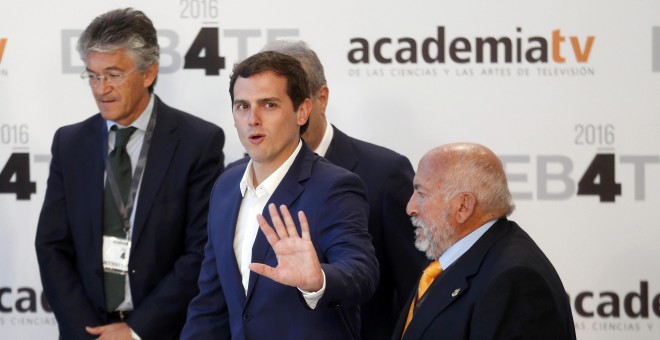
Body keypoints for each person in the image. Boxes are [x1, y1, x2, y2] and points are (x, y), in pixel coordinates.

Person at [35, 8, 225, 340]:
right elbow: (52, 245)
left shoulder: (198, 142)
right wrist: (87, 332)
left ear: (149, 72)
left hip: (165, 331)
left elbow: (202, 250)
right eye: (92, 75)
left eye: (113, 74)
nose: (100, 89)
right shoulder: (70, 143)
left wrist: (137, 330)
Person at [181, 51, 379, 339]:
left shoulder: (334, 186)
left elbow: (362, 271)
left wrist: (318, 280)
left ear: (302, 111)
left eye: (269, 105)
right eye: (242, 106)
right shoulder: (225, 185)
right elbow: (210, 302)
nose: (253, 119)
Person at [256, 40, 427, 339]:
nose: (273, 119)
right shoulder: (237, 178)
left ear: (319, 99)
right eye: (266, 104)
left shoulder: (384, 174)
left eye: (279, 104)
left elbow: (417, 287)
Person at [392, 142, 576, 339]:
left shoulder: (515, 281)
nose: (410, 207)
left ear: (463, 206)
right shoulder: (452, 256)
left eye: (421, 194)